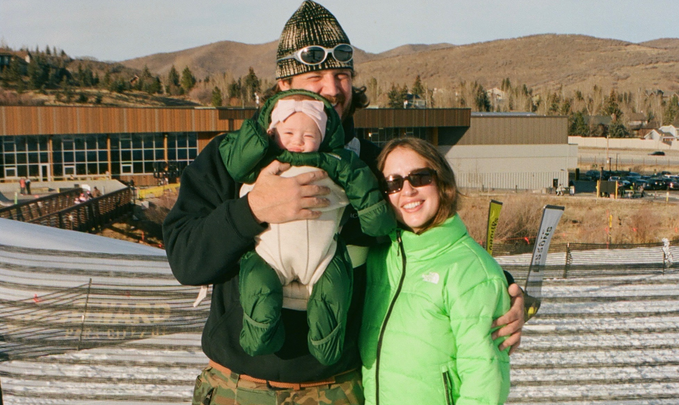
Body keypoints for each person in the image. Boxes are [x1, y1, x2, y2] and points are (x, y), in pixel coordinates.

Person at [162, 2, 524, 404]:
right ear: (284, 85)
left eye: (342, 76)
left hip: (338, 391)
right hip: (239, 389)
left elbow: (433, 244)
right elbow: (186, 261)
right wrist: (253, 210)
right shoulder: (231, 159)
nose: (333, 89)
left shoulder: (371, 167)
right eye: (316, 76)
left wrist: (502, 290)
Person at [217, 89, 395, 366]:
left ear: (323, 136)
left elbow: (361, 183)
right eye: (288, 134)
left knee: (332, 299)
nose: (298, 142)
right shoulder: (264, 161)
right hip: (268, 256)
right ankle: (259, 337)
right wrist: (256, 137)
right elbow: (236, 163)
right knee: (259, 292)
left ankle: (327, 345)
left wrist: (375, 218)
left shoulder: (337, 161)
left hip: (323, 256)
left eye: (309, 136)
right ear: (273, 131)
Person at [360, 137, 511, 405]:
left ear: (441, 182)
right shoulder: (379, 258)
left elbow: (484, 381)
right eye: (393, 183)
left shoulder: (471, 270)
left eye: (419, 177)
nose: (407, 191)